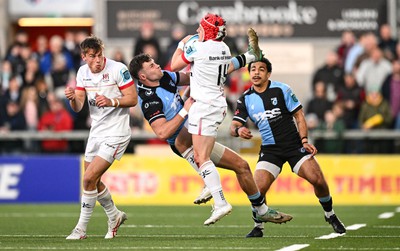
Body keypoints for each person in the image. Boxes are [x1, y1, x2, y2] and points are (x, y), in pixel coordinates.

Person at [129, 52, 292, 226]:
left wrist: (198, 72)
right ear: (143, 76)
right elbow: (162, 133)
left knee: (242, 166)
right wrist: (185, 108)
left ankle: (261, 211)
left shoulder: (165, 77)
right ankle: (217, 197)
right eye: (152, 65)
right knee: (192, 148)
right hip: (184, 140)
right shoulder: (148, 98)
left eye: (154, 62)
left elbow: (196, 78)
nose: (157, 65)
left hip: (195, 131)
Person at [169, 13, 279, 225]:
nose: (197, 31)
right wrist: (249, 57)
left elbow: (174, 65)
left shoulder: (197, 47)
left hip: (204, 106)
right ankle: (208, 184)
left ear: (208, 31)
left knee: (201, 157)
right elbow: (228, 66)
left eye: (201, 28)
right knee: (188, 146)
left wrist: (183, 42)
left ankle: (220, 202)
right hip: (214, 104)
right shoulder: (223, 48)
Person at [231, 57, 346, 237]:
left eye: (261, 69)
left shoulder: (282, 89)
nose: (256, 72)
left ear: (268, 74)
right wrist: (239, 131)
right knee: (257, 190)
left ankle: (330, 215)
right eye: (253, 69)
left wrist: (305, 140)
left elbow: (299, 117)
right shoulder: (245, 99)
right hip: (270, 150)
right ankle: (258, 227)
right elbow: (234, 126)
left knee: (318, 180)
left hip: (293, 146)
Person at [64, 35, 137, 239]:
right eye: (92, 56)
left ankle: (80, 229)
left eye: (100, 55)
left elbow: (132, 99)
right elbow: (79, 106)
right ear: (84, 57)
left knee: (88, 178)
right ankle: (114, 215)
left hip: (117, 132)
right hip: (96, 132)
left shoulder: (117, 69)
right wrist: (72, 100)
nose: (97, 60)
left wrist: (111, 101)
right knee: (92, 182)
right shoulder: (82, 72)